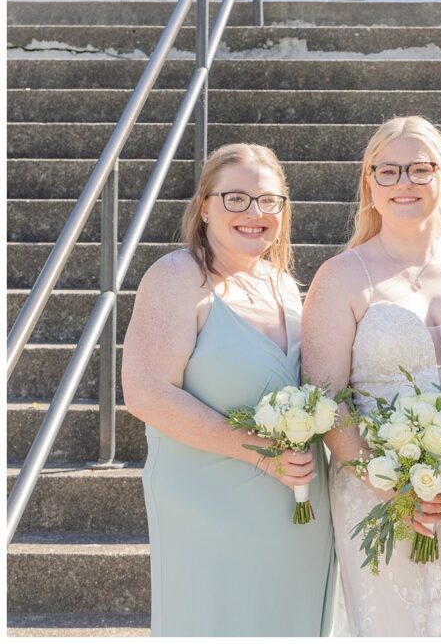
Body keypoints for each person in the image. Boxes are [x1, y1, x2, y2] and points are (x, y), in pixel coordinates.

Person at [301, 116, 441, 636]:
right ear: (368, 183)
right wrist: (387, 484)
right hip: (377, 496)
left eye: (419, 169)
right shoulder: (342, 276)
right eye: (387, 171)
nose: (403, 183)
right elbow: (326, 400)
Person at [121, 143, 335, 636]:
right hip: (209, 506)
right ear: (205, 206)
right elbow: (145, 392)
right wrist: (263, 453)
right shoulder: (179, 277)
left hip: (298, 508)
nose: (254, 214)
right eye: (235, 199)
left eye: (269, 201)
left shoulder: (284, 284)